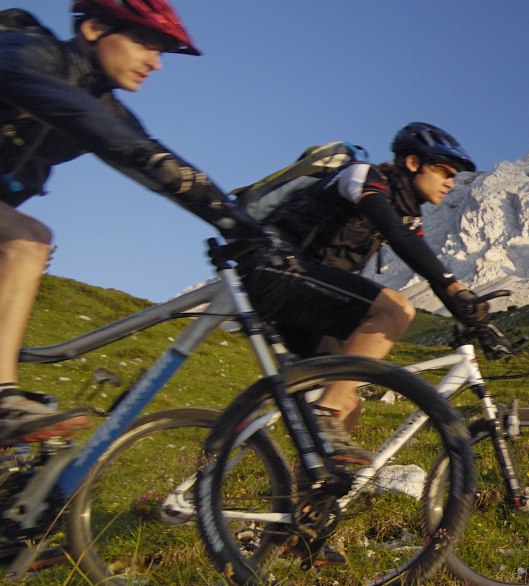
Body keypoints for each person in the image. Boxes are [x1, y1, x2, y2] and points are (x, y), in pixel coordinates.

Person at [0, 0, 274, 445]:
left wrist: (239, 224)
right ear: (92, 28)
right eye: (146, 43)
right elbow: (32, 85)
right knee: (29, 238)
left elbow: (156, 160)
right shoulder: (28, 49)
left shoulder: (105, 108)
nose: (156, 63)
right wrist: (143, 155)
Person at [239, 122, 492, 466]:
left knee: (348, 403)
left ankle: (309, 503)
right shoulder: (363, 177)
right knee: (395, 311)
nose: (451, 181)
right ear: (413, 163)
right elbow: (396, 235)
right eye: (444, 171)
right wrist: (453, 285)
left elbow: (424, 264)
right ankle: (323, 417)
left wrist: (477, 319)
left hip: (305, 297)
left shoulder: (406, 215)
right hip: (276, 269)